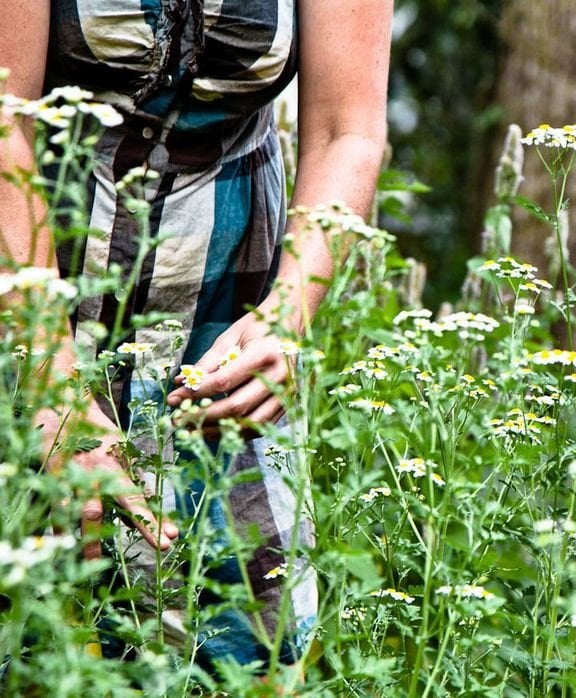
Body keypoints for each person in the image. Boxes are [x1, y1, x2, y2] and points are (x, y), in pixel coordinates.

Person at [0, 0, 391, 672]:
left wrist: (286, 314)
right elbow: (4, 122)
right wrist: (50, 382)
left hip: (221, 295)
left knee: (242, 645)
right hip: (27, 279)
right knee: (28, 621)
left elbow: (344, 130)